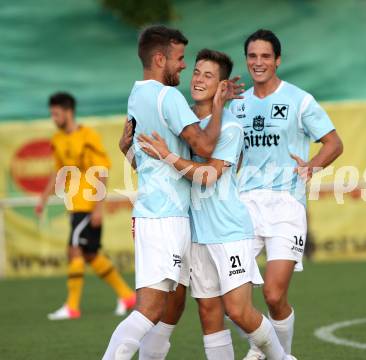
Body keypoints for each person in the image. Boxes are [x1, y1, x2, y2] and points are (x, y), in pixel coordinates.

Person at [140, 49, 297, 360]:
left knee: (238, 311)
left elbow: (208, 175)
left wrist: (169, 157)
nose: (198, 79)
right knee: (209, 314)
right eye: (197, 72)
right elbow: (153, 163)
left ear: (222, 86)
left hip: (228, 231)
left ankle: (282, 357)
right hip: (196, 234)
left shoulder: (230, 127)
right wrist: (128, 148)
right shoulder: (181, 122)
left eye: (208, 75)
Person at [102, 26, 241, 360]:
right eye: (180, 60)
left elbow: (148, 163)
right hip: (161, 218)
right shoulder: (168, 97)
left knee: (170, 306)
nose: (183, 66)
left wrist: (128, 152)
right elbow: (206, 145)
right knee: (149, 309)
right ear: (160, 58)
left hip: (169, 215)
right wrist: (219, 105)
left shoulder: (137, 95)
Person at [229, 29, 344, 359]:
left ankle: (277, 353)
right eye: (252, 56)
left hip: (285, 205)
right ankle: (264, 349)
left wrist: (311, 166)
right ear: (246, 60)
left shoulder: (300, 100)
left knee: (273, 295)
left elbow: (334, 143)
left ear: (277, 60)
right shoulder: (237, 104)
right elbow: (231, 155)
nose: (258, 62)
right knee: (228, 295)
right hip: (244, 205)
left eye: (266, 56)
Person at [36, 92, 136, 320]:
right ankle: (127, 295)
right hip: (75, 205)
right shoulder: (58, 140)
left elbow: (101, 170)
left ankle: (72, 306)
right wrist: (42, 199)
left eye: (56, 113)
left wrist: (98, 207)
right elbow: (57, 171)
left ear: (68, 112)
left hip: (88, 204)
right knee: (90, 254)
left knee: (74, 251)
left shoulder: (88, 136)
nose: (54, 118)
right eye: (52, 114)